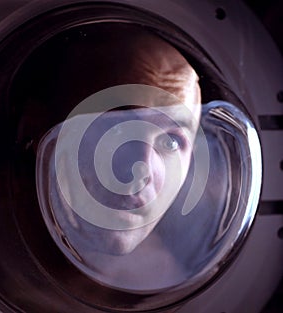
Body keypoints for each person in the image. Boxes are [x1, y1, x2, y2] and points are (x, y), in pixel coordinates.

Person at [18, 23, 227, 291]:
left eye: (171, 141)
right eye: (118, 129)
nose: (142, 167)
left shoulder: (173, 283)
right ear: (35, 130)